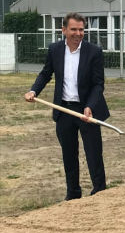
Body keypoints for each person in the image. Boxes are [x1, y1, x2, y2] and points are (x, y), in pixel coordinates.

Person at [24, 12, 109, 200]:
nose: (78, 33)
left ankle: (100, 192)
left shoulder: (94, 51)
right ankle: (73, 193)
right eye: (74, 29)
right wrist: (34, 91)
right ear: (64, 30)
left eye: (81, 29)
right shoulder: (55, 49)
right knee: (69, 154)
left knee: (94, 154)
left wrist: (90, 106)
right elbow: (46, 74)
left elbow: (98, 84)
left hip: (87, 110)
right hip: (64, 110)